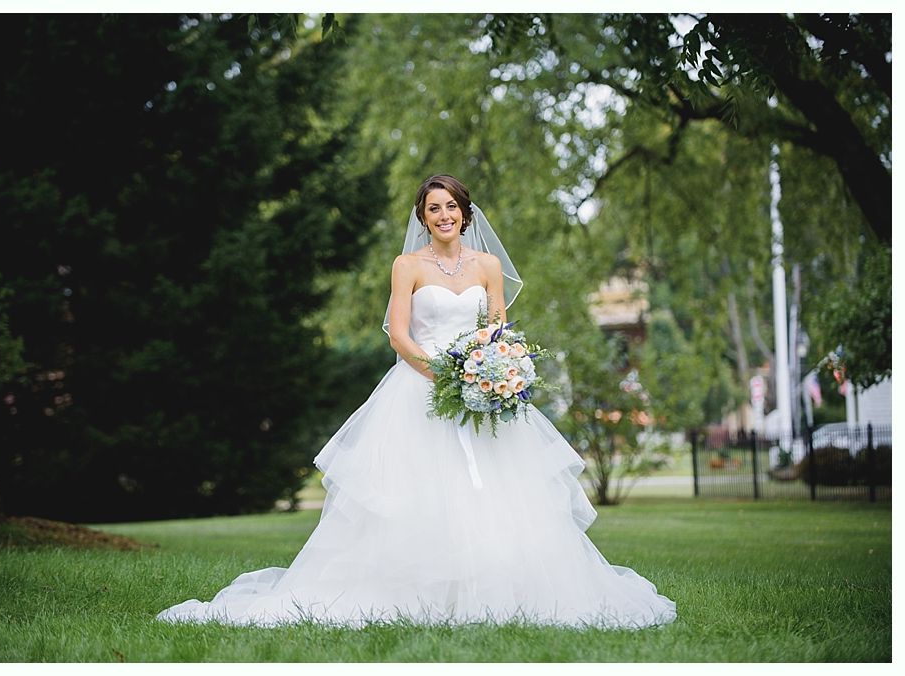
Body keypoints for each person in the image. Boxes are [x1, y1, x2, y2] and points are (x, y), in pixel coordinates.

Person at [156, 175, 677, 629]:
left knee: (499, 499)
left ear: (465, 214)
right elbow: (399, 338)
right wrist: (445, 375)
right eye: (434, 208)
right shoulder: (407, 265)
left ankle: (507, 588)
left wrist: (489, 371)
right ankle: (412, 592)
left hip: (482, 394)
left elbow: (496, 327)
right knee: (419, 496)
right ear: (422, 218)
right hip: (418, 392)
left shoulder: (489, 266)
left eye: (451, 206)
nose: (443, 215)